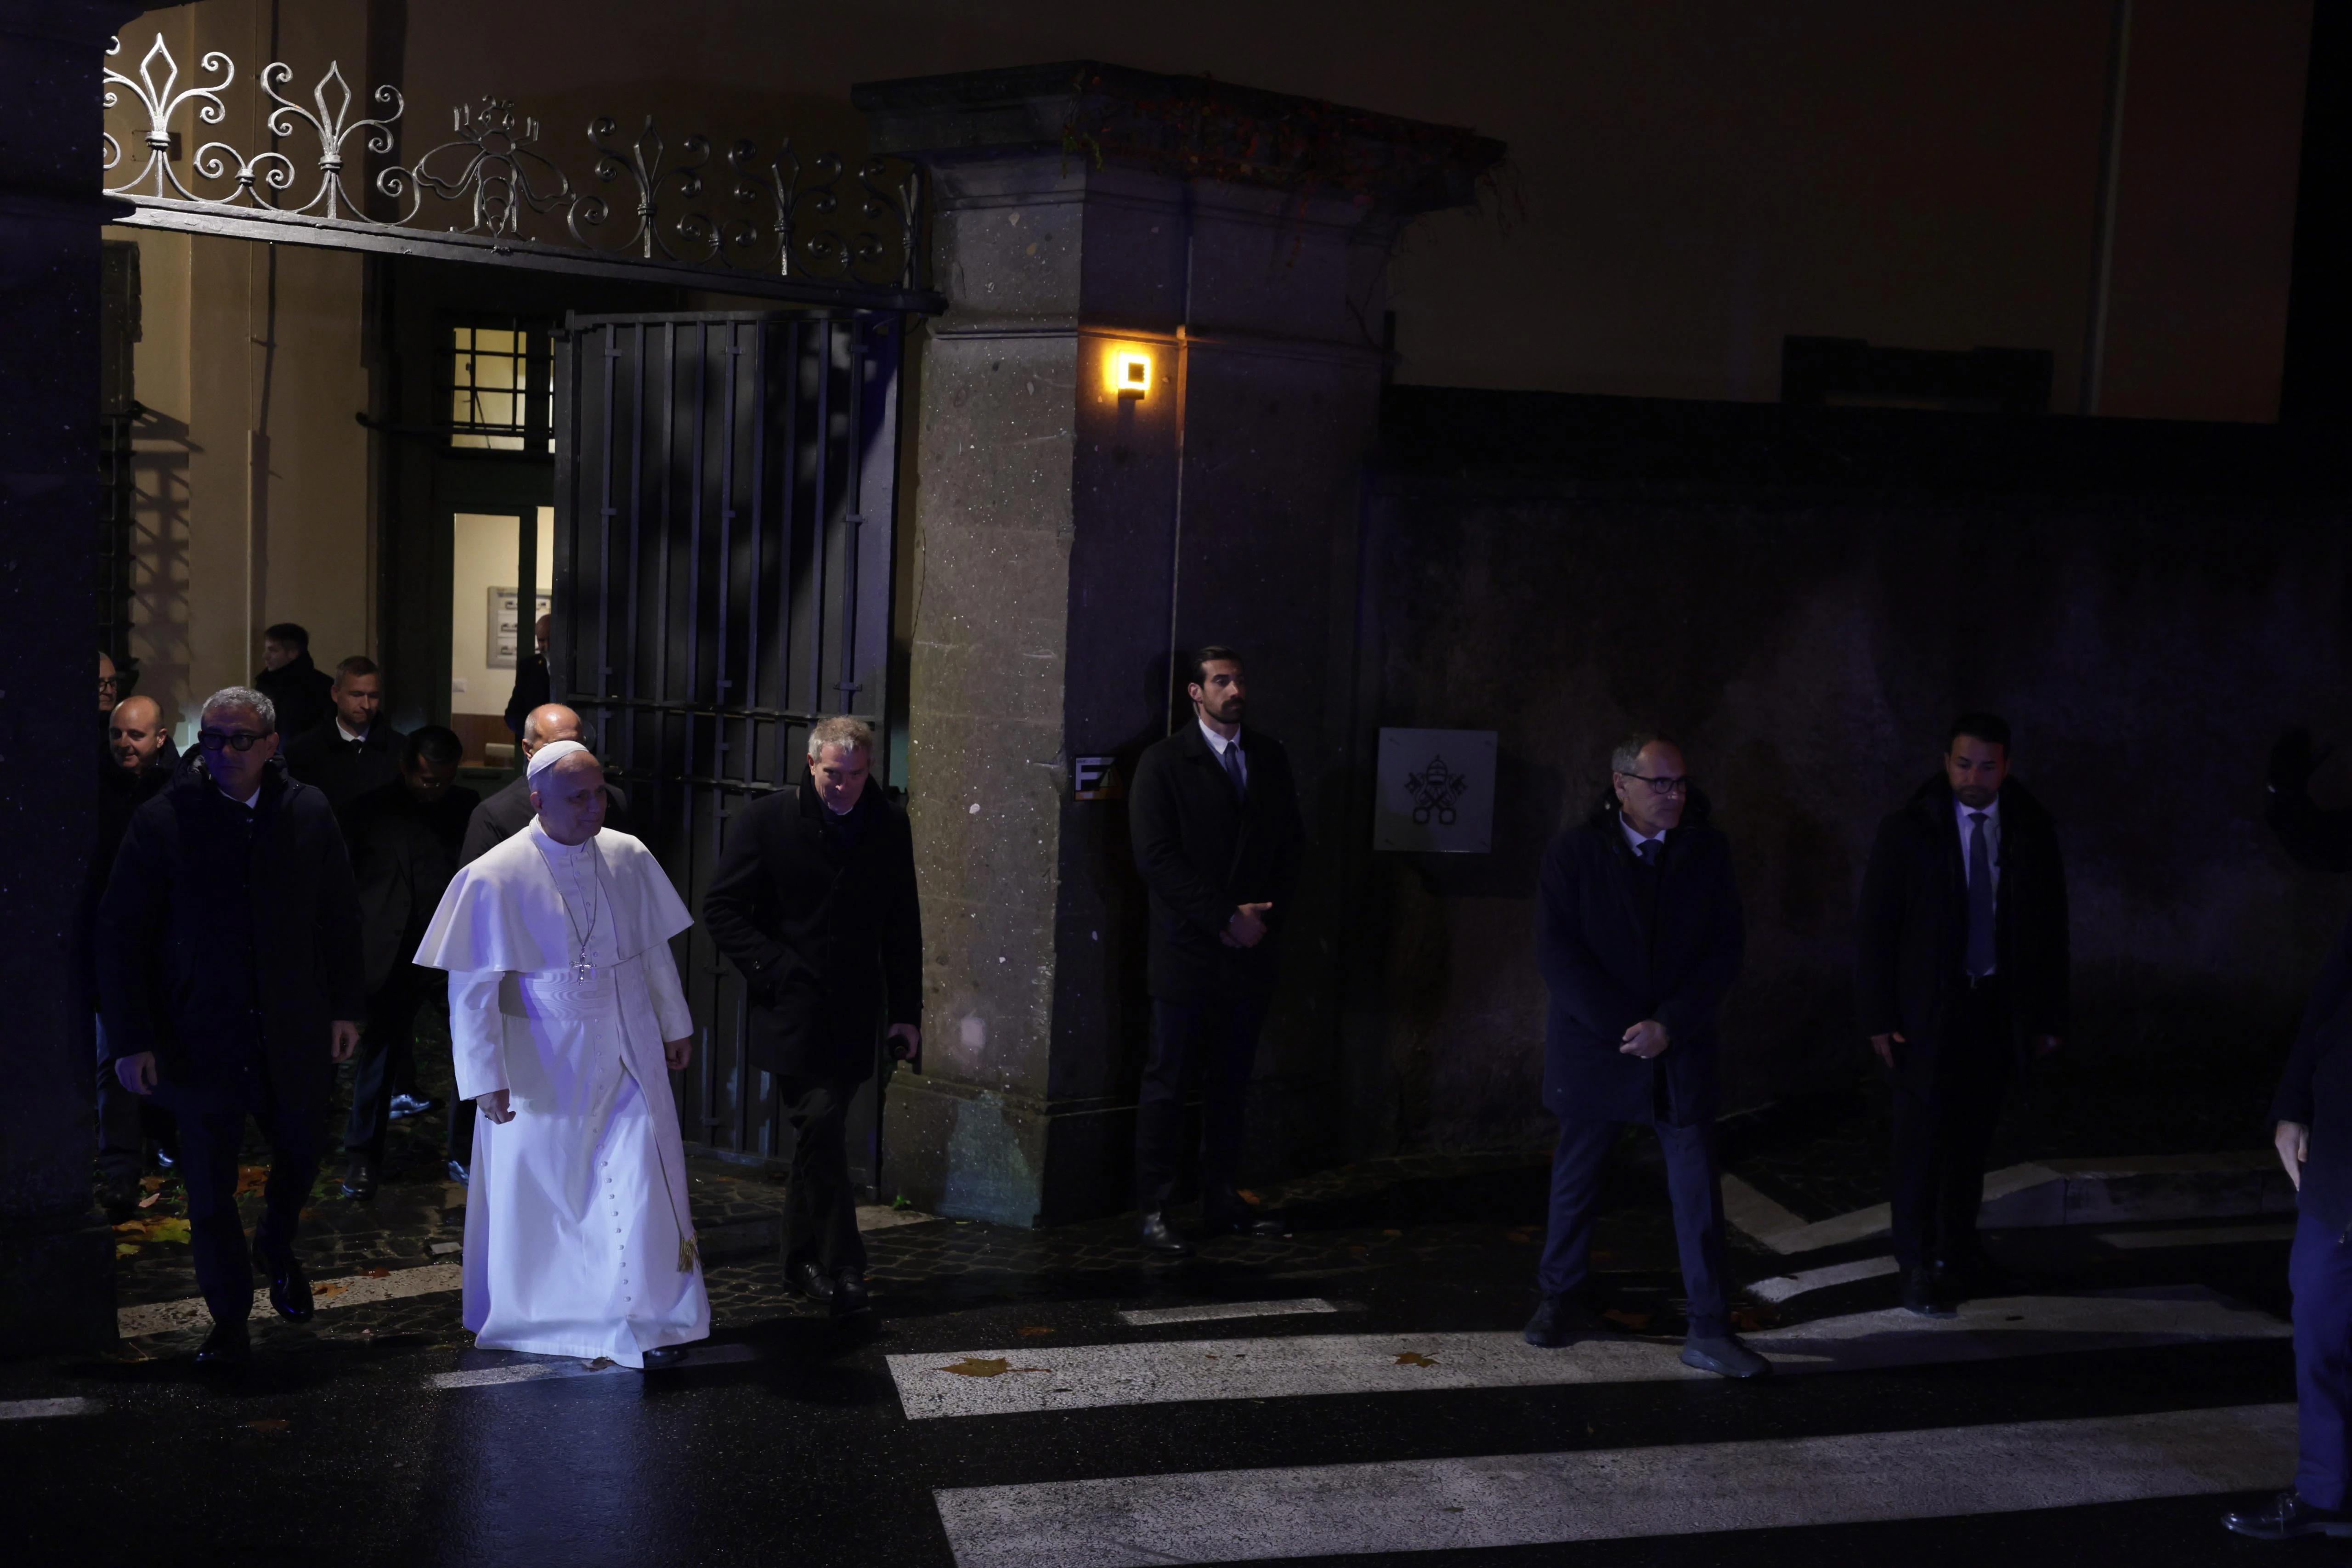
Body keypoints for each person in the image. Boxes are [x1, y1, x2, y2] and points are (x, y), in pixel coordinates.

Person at [413, 741, 707, 1370]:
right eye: (579, 797)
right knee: (554, 1191)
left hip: (628, 1043)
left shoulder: (628, 856)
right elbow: (471, 989)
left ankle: (640, 1311)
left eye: (600, 793)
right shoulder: (496, 872)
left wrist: (673, 1023)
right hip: (543, 1058)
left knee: (636, 1177)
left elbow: (652, 951)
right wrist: (484, 1077)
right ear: (538, 799)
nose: (594, 807)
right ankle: (558, 1314)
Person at [95, 686, 363, 1366]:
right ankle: (229, 1316)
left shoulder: (305, 811)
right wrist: (132, 1038)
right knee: (209, 1187)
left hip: (292, 1026)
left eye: (240, 738)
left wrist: (345, 1007)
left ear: (271, 743)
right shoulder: (167, 819)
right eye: (213, 738)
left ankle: (275, 1242)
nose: (224, 752)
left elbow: (338, 915)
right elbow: (122, 932)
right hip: (200, 1031)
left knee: (301, 1152)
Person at [1525, 733, 1766, 1380]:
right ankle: (1560, 1296)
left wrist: (1671, 1024)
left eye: (1680, 782)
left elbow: (1724, 950)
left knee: (1695, 1188)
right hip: (1598, 1046)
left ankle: (1710, 1326)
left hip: (1676, 1047)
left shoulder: (1705, 851)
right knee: (1577, 1179)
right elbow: (1558, 954)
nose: (1674, 794)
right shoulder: (1575, 855)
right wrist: (1623, 1025)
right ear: (1620, 784)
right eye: (1659, 783)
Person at [702, 716, 921, 1314]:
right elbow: (722, 908)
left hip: (854, 1011)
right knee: (820, 1123)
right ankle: (845, 1264)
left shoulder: (888, 823)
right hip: (791, 1009)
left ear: (869, 768)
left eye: (856, 774)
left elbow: (903, 923)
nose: (844, 786)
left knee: (816, 1139)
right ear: (811, 766)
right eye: (833, 774)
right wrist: (775, 967)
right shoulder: (767, 821)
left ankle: (799, 1262)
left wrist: (906, 1012)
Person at [1856, 712, 2068, 1318]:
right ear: (1946, 763)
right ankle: (1915, 1261)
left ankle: (1958, 1247)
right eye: (1964, 763)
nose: (1974, 776)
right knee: (1918, 1144)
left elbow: (2051, 927)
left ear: (2007, 766)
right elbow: (1877, 929)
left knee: (1972, 1141)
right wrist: (1878, 1015)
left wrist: (2049, 1015)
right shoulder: (1910, 830)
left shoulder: (2029, 829)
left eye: (1987, 764)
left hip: (1993, 1009)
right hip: (1927, 1013)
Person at [1125, 646, 1305, 1257]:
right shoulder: (1164, 763)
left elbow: (1290, 847)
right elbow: (1156, 857)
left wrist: (1261, 921)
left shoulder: (1270, 758)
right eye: (1222, 681)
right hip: (1187, 951)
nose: (1235, 690)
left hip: (1249, 952)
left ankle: (1220, 1194)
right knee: (1169, 1081)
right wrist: (1225, 916)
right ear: (1194, 693)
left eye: (1240, 678)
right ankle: (1155, 1206)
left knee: (1231, 1081)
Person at [2225, 729, 2352, 1541]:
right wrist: (2292, 1099)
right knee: (2320, 1314)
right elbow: (2333, 993)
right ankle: (2327, 1493)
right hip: (2341, 1146)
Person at [337, 726, 480, 1199]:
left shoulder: (466, 808)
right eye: (425, 779)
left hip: (451, 952)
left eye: (442, 779)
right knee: (378, 1058)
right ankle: (362, 1157)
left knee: (471, 1052)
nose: (432, 788)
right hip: (394, 953)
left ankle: (466, 1151)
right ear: (407, 768)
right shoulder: (370, 809)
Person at [84, 695, 179, 1214]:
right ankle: (122, 1164)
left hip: (158, 938)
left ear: (159, 738)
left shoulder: (177, 790)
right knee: (116, 1053)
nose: (124, 742)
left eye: (135, 735)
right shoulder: (100, 788)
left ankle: (157, 1144)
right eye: (118, 733)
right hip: (116, 937)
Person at [460, 702, 633, 867]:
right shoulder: (495, 815)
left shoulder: (613, 800)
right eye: (557, 746)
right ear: (539, 803)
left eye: (577, 745)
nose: (570, 754)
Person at [281, 655, 403, 818]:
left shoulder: (401, 749)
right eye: (356, 695)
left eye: (373, 696)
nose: (366, 705)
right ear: (335, 694)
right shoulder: (302, 750)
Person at [254, 622, 333, 743]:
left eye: (273, 651)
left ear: (293, 654)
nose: (266, 656)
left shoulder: (322, 687)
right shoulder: (265, 684)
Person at [503, 613, 552, 741]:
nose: (546, 646)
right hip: (535, 746)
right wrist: (535, 737)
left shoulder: (578, 669)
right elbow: (513, 714)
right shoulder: (529, 667)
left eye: (551, 639)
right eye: (541, 640)